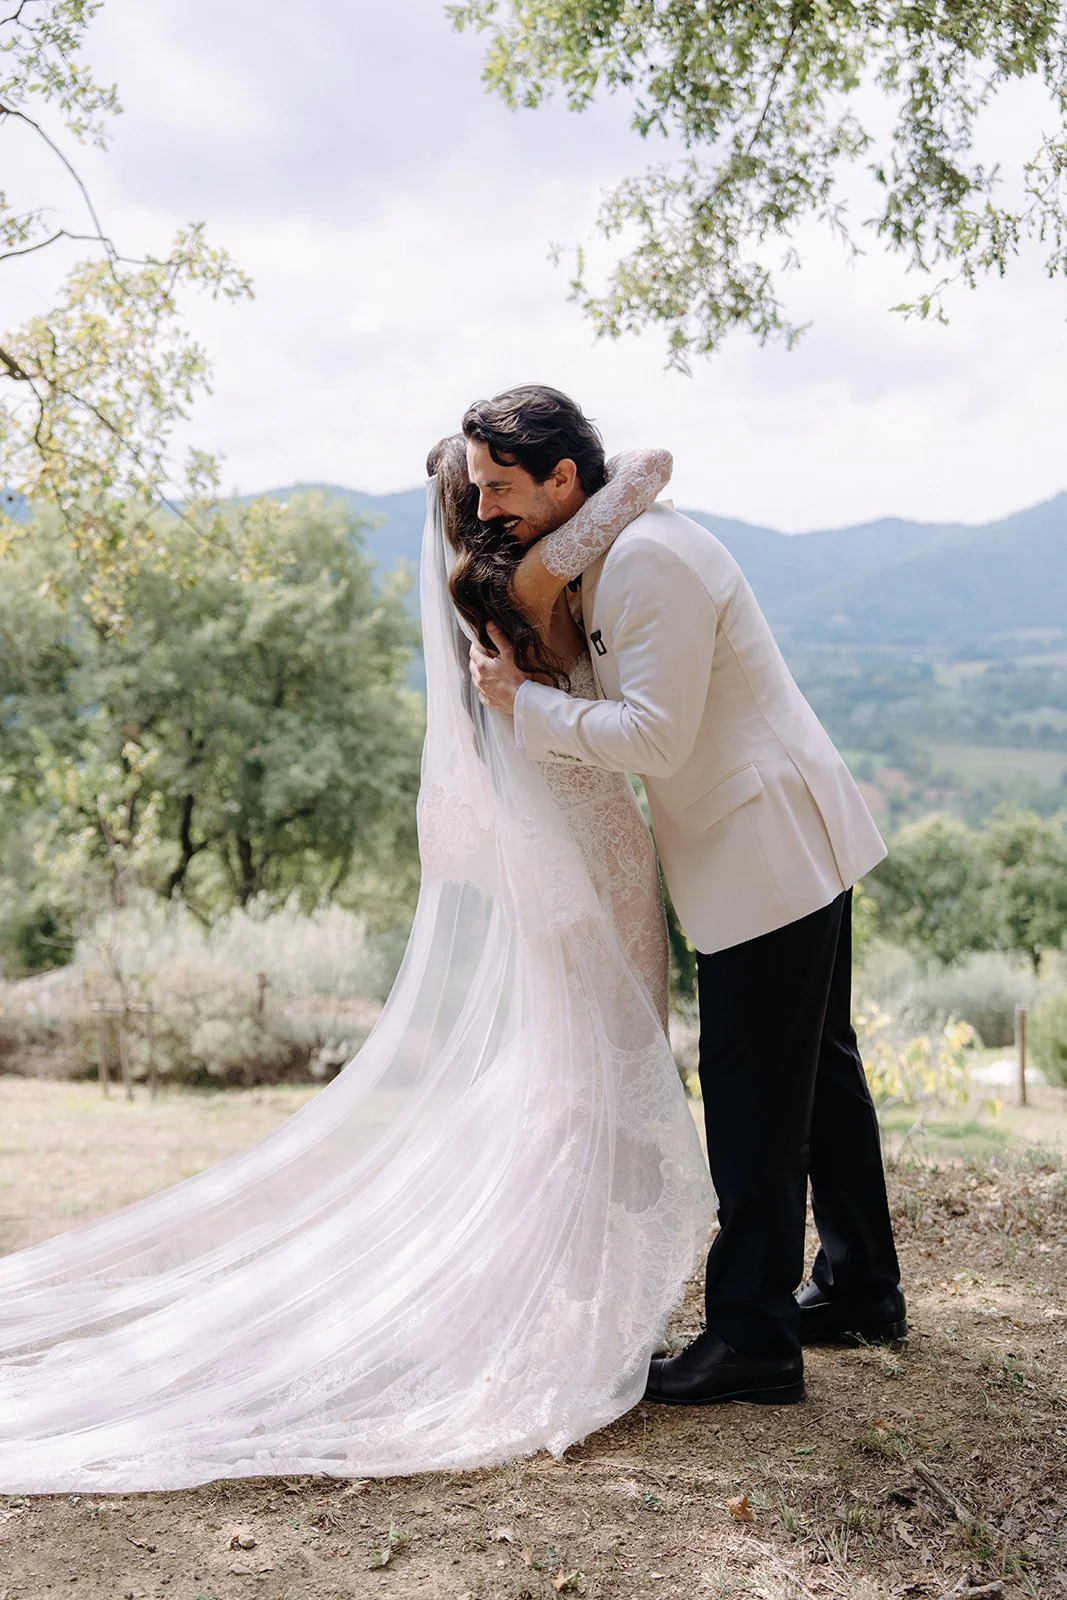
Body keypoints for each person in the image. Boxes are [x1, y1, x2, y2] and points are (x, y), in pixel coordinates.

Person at [0, 437, 712, 1493]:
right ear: (472, 506)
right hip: (589, 860)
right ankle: (567, 1312)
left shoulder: (481, 584)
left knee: (580, 1076)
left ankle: (574, 1298)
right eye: (487, 489)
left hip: (569, 855)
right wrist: (582, 485)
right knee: (599, 1074)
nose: (501, 502)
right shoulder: (516, 578)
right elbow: (651, 464)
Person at [467, 384, 906, 1408]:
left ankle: (751, 1336)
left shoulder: (644, 564)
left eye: (500, 488)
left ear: (563, 479)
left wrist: (526, 704)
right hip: (780, 833)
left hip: (760, 848)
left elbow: (655, 736)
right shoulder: (614, 548)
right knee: (820, 1071)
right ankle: (857, 1285)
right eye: (478, 490)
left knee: (753, 1099)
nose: (487, 508)